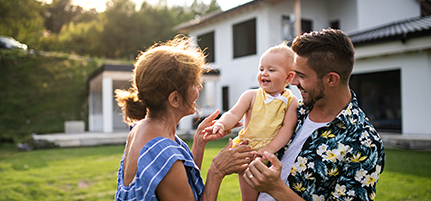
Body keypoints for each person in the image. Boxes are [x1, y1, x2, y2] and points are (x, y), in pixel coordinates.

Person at [244, 29, 385, 201]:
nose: (293, 82)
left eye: (301, 76)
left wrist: (277, 189)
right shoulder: (293, 109)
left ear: (331, 79)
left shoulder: (364, 142)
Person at [114, 36, 254, 201]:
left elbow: (181, 184)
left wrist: (199, 143)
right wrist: (217, 171)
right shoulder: (161, 151)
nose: (200, 88)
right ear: (174, 99)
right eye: (194, 83)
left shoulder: (143, 129)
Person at [203, 42, 299, 201]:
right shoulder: (251, 96)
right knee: (249, 196)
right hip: (250, 152)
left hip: (274, 154)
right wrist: (221, 124)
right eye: (261, 69)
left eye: (271, 70)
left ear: (289, 77)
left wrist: (269, 149)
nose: (264, 74)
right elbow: (234, 114)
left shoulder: (291, 101)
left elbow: (287, 129)